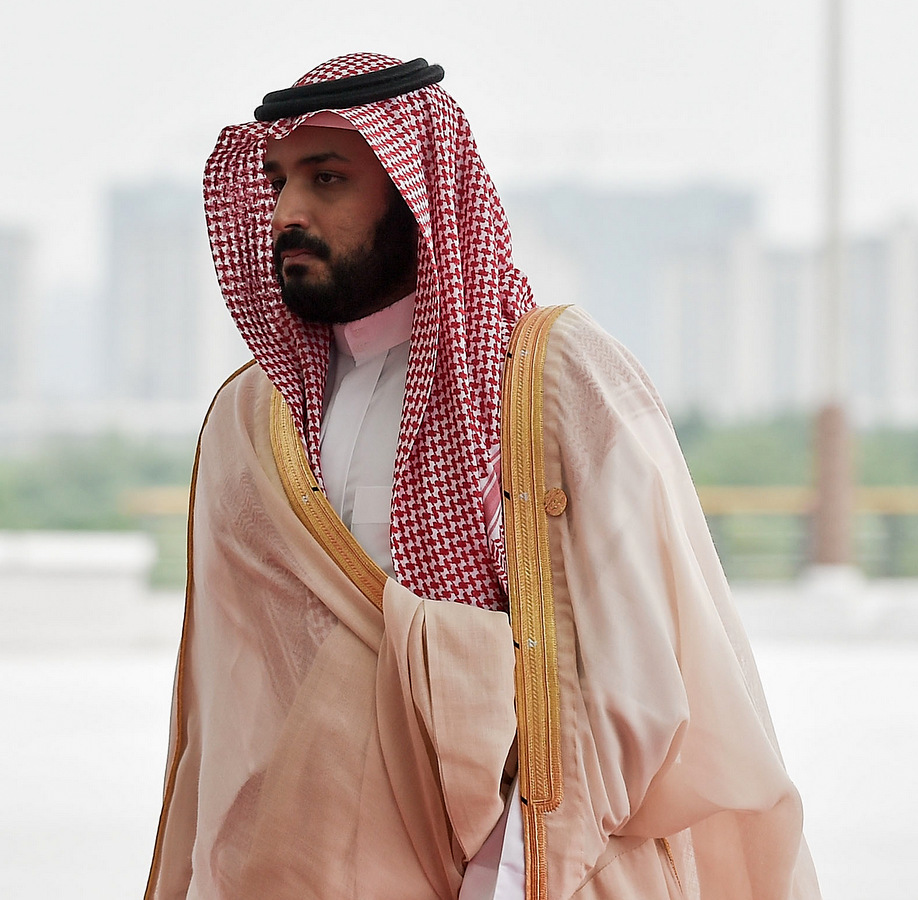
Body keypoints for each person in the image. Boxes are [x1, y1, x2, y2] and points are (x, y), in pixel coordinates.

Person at [145, 54, 820, 900]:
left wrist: (504, 873)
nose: (287, 213)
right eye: (278, 182)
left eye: (328, 179)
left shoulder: (556, 380)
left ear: (418, 190)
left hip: (536, 871)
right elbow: (231, 709)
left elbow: (638, 684)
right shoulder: (251, 420)